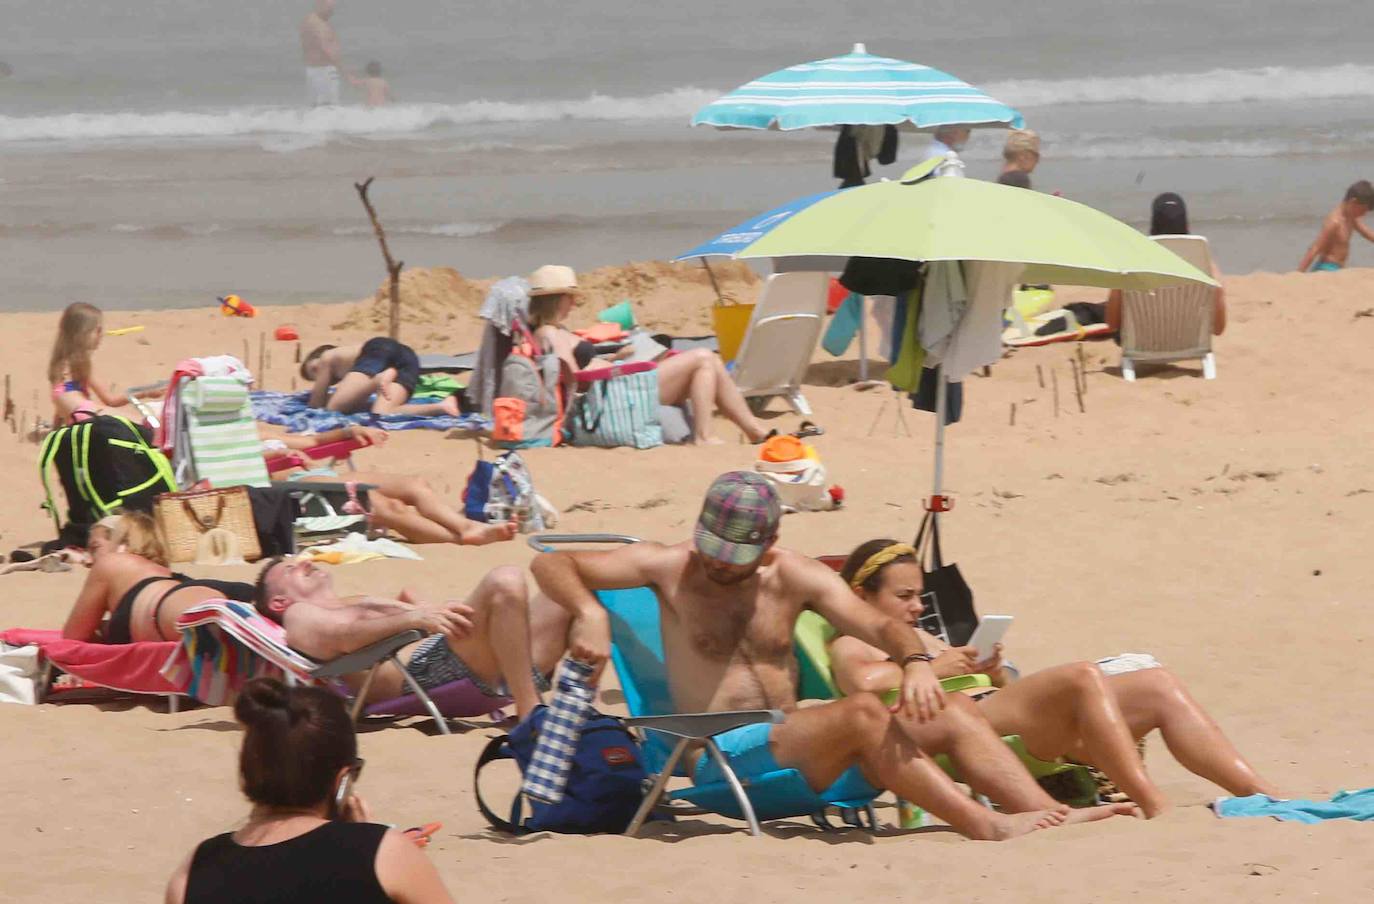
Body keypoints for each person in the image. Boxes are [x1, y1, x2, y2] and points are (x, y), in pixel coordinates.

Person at [530, 471, 1134, 840]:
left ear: (769, 545)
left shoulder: (794, 577)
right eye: (712, 547)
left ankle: (1047, 811)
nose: (716, 563)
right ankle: (985, 824)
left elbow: (875, 623)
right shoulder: (668, 566)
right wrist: (587, 612)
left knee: (948, 709)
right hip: (719, 757)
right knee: (867, 711)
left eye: (733, 555)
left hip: (804, 750)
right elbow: (550, 562)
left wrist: (918, 662)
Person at [830, 539, 1287, 818]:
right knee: (1083, 677)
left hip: (995, 709)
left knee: (1156, 683)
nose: (917, 607)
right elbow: (861, 688)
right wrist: (929, 667)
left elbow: (995, 688)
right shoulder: (851, 642)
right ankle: (1153, 804)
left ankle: (1262, 793)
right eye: (904, 596)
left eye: (918, 596)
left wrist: (988, 670)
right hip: (959, 727)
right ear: (859, 595)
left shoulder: (919, 636)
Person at [164, 678, 454, 904]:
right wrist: (362, 845)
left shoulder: (195, 870)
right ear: (343, 780)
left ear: (248, 774)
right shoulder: (385, 854)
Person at [254, 557, 569, 720]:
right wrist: (415, 617)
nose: (306, 562)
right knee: (505, 580)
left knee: (568, 586)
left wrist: (421, 609)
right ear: (279, 602)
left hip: (460, 658)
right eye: (292, 569)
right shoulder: (299, 615)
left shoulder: (346, 603)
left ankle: (572, 707)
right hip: (422, 669)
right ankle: (530, 714)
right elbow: (345, 638)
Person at [524, 265, 773, 445]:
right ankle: (706, 435)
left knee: (709, 363)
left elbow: (576, 368)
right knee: (703, 357)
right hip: (614, 392)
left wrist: (614, 358)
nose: (574, 304)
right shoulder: (549, 333)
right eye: (570, 298)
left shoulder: (553, 331)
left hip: (616, 383)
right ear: (556, 300)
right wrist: (618, 368)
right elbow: (572, 378)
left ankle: (752, 430)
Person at [261, 423, 516, 546]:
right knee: (388, 507)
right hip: (292, 489)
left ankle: (466, 526)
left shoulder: (253, 429)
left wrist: (349, 432)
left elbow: (313, 442)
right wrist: (273, 458)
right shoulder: (225, 445)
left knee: (416, 485)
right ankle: (458, 539)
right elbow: (232, 480)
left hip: (319, 474)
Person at [63, 512, 255, 644]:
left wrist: (103, 630)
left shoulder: (111, 563)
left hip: (184, 609)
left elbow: (73, 638)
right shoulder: (159, 573)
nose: (88, 560)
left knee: (210, 628)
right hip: (203, 593)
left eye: (95, 547)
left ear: (123, 543)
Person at [1105, 193, 1227, 336]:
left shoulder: (1134, 259)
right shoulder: (1201, 261)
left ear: (1153, 224)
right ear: (1186, 225)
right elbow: (1218, 329)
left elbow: (1112, 323)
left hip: (1144, 343)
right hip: (1189, 341)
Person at [47, 302, 163, 426]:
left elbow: (60, 408)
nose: (101, 334)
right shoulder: (80, 363)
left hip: (80, 415)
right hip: (87, 413)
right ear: (83, 334)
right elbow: (111, 401)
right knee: (148, 424)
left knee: (145, 423)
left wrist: (55, 431)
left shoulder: (60, 364)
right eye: (97, 330)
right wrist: (146, 393)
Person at [301, 338, 459, 417]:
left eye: (314, 369)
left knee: (333, 409)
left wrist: (323, 395)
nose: (318, 375)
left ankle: (380, 377)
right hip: (408, 358)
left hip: (378, 351)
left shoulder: (327, 357)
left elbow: (316, 404)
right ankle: (442, 406)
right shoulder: (347, 367)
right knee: (382, 413)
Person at [1298, 180, 1374, 272]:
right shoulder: (1334, 222)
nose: (1364, 214)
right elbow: (1315, 248)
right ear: (1353, 202)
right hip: (1325, 268)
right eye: (1363, 210)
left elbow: (1367, 233)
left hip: (1338, 268)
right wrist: (1299, 273)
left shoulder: (1351, 218)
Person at [300, 0, 348, 107]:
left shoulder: (309, 21)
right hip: (324, 71)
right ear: (319, 3)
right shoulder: (318, 24)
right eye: (330, 8)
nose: (332, 12)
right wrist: (345, 73)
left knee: (316, 107)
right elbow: (325, 48)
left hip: (313, 70)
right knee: (329, 107)